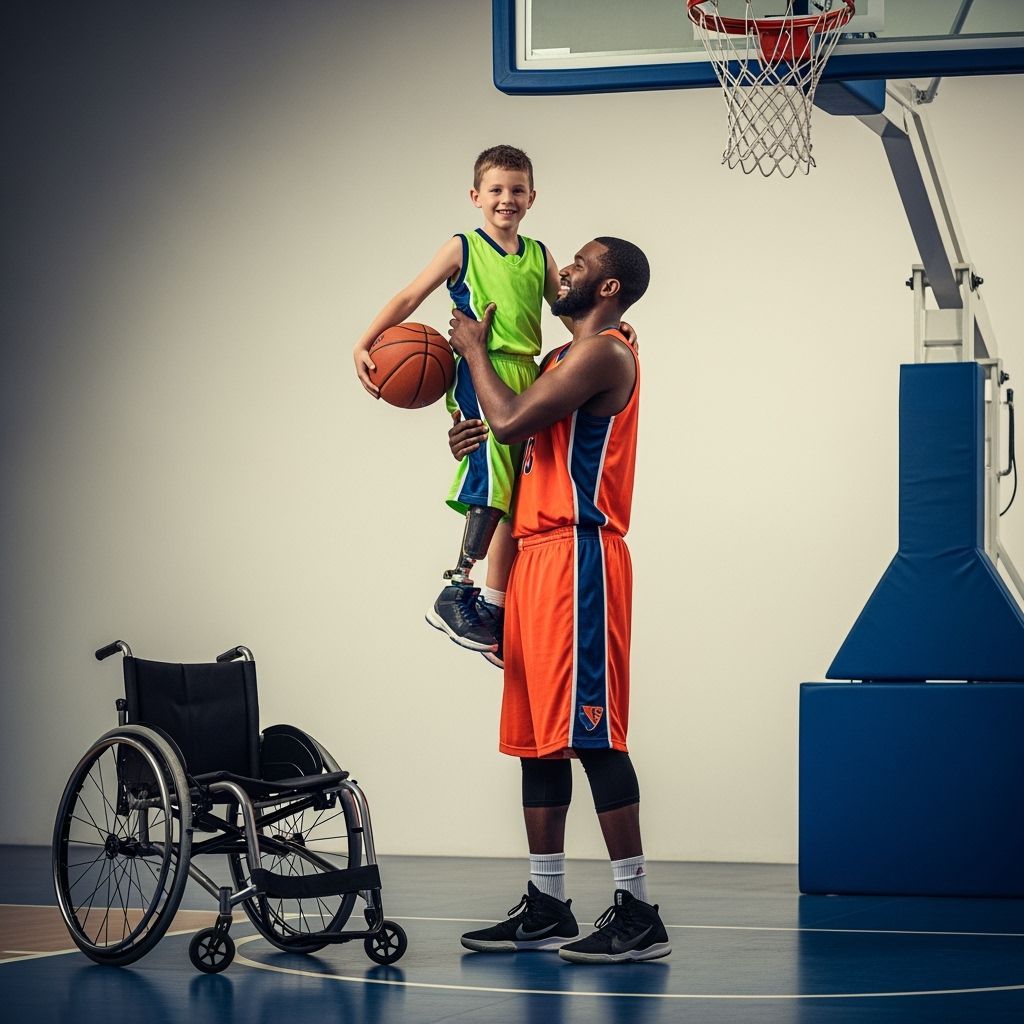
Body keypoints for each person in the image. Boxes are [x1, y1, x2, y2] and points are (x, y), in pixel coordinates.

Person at [445, 237, 670, 963]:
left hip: (581, 556)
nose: (563, 269)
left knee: (594, 734)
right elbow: (510, 442)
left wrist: (473, 351)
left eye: (579, 262)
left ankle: (639, 911)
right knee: (537, 738)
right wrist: (473, 435)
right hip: (535, 558)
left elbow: (513, 419)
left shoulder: (607, 353)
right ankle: (546, 903)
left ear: (608, 288)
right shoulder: (557, 361)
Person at [353, 145, 561, 665]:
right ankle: (455, 587)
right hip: (479, 368)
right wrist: (364, 341)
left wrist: (612, 325)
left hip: (527, 374)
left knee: (517, 497)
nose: (506, 198)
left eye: (517, 190)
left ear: (532, 198)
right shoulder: (463, 247)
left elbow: (570, 307)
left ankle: (493, 607)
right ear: (475, 196)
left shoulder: (539, 254)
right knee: (491, 483)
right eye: (496, 189)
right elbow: (409, 297)